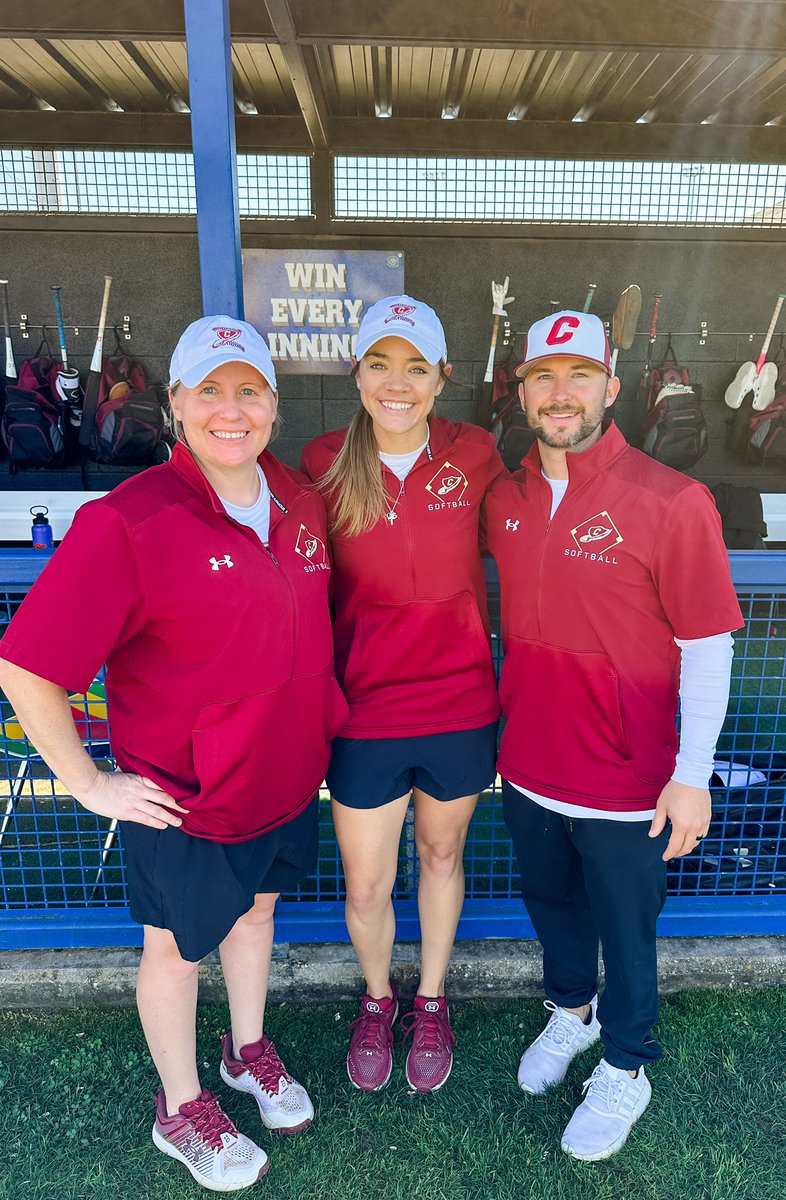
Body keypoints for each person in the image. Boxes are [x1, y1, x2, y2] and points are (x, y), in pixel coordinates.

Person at [0, 316, 348, 1192]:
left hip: (282, 777)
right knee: (174, 951)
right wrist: (88, 783)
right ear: (179, 404)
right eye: (211, 391)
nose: (232, 410)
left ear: (273, 403)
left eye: (249, 391)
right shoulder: (130, 521)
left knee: (257, 918)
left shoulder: (299, 499)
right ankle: (180, 1106)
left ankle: (245, 1050)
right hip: (184, 798)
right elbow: (26, 666)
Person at [484, 309, 743, 1161]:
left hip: (629, 779)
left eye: (579, 376)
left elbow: (708, 644)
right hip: (529, 765)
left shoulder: (672, 500)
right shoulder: (505, 497)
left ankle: (628, 1063)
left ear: (611, 387)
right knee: (552, 905)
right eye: (544, 378)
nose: (560, 394)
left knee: (627, 933)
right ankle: (572, 1015)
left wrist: (693, 774)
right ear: (522, 391)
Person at [301, 295, 504, 1093]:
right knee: (367, 882)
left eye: (415, 367)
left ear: (442, 377)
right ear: (356, 372)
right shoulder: (322, 461)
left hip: (459, 704)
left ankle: (432, 1000)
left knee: (442, 854)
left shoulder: (476, 452)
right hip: (364, 711)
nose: (397, 383)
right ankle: (379, 999)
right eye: (381, 364)